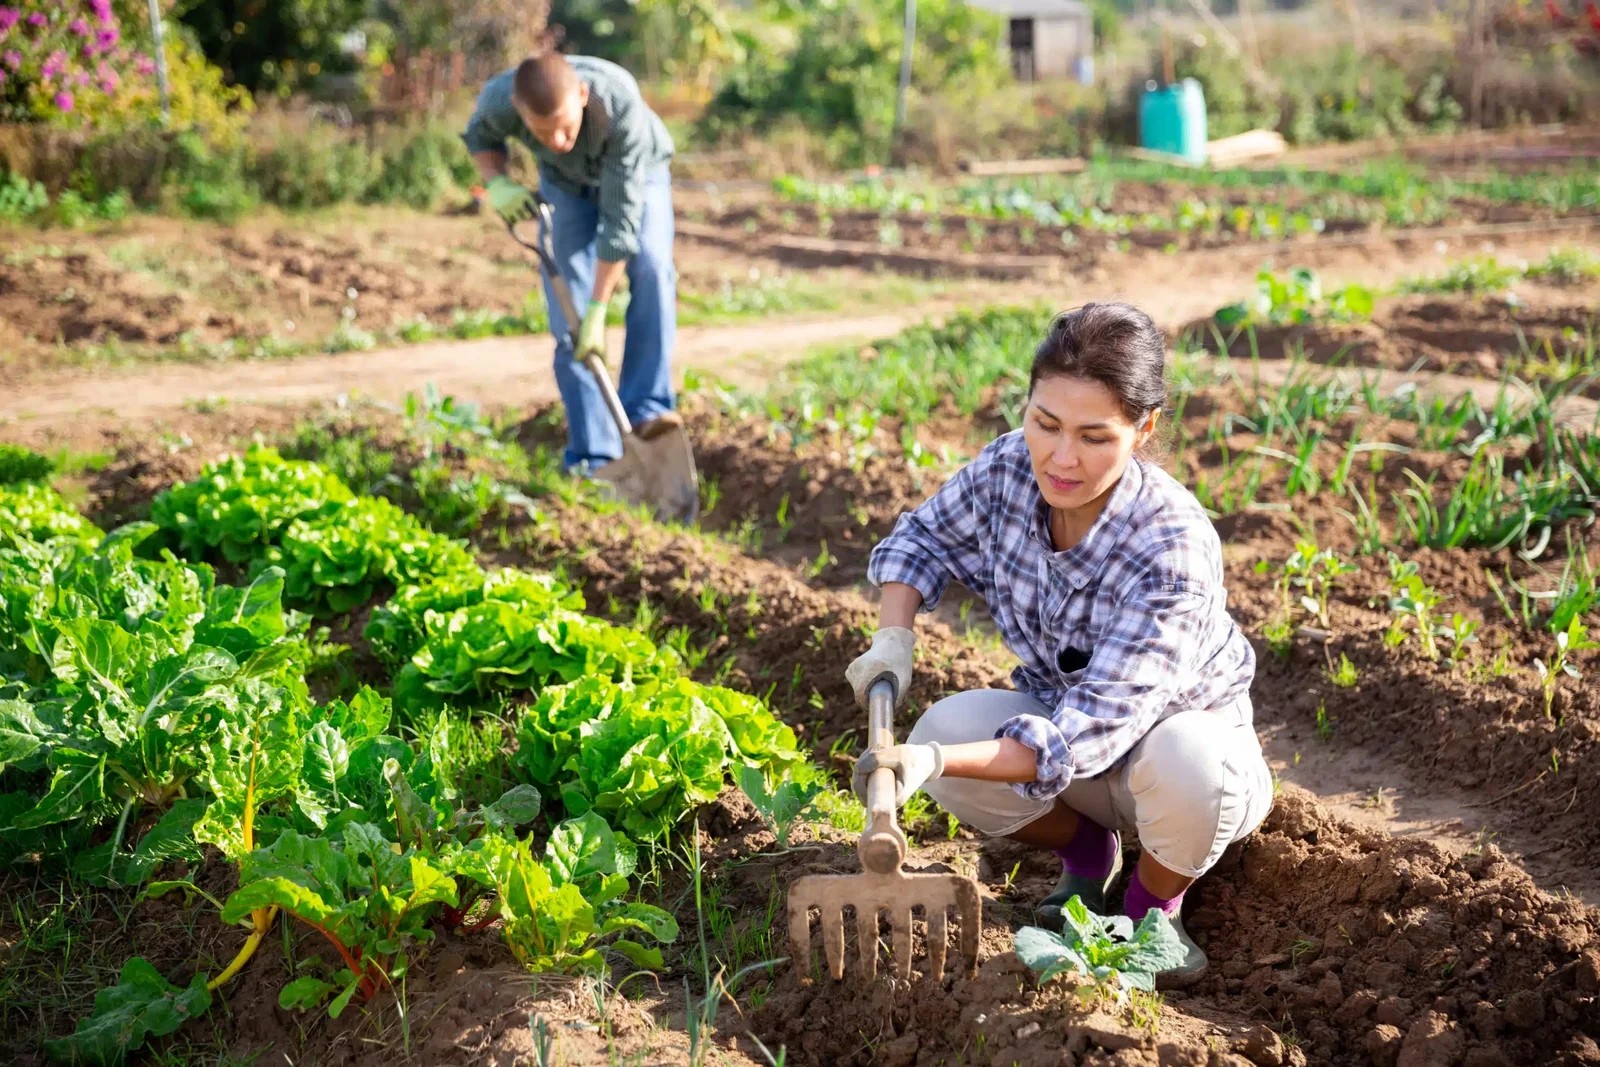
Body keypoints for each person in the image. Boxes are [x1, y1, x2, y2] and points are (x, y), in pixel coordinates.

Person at [844, 302, 1272, 987]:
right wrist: (894, 635)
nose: (1061, 457)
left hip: (1179, 760)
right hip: (1070, 743)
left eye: (1094, 436)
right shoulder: (1010, 469)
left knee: (1189, 761)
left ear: (1143, 428)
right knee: (946, 730)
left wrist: (922, 761)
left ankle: (1151, 907)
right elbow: (921, 539)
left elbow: (1086, 728)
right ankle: (1087, 857)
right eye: (1046, 423)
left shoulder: (1171, 545)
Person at [462, 34, 682, 475]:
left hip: (640, 174)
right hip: (564, 186)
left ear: (582, 95)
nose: (558, 140)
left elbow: (621, 225)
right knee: (569, 317)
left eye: (565, 126)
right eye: (543, 133)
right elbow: (480, 137)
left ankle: (647, 409)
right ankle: (594, 455)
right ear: (520, 113)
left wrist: (600, 308)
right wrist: (497, 182)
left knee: (654, 269)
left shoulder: (620, 105)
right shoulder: (500, 100)